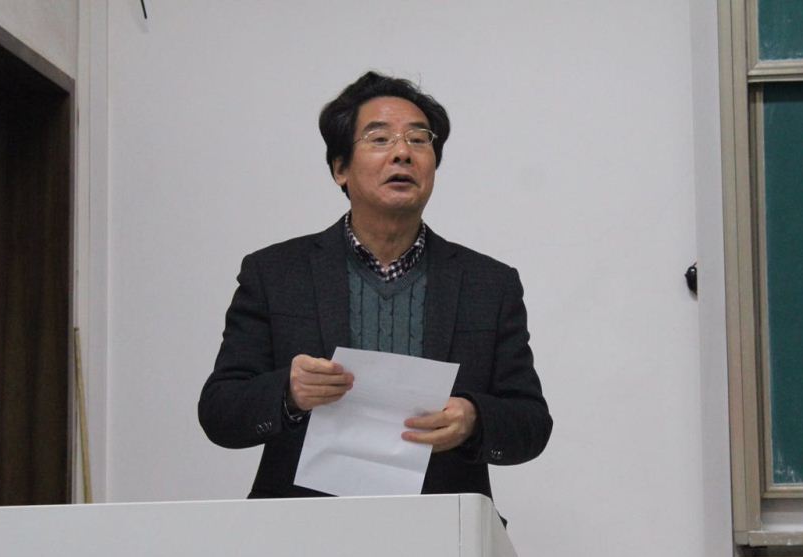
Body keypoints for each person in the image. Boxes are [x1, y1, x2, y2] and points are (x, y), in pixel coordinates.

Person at [198, 72, 551, 501]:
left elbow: (531, 423)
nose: (403, 152)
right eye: (380, 139)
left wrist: (475, 419)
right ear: (340, 169)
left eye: (418, 139)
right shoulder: (274, 273)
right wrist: (288, 393)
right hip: (302, 525)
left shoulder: (489, 284)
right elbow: (219, 412)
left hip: (441, 526)